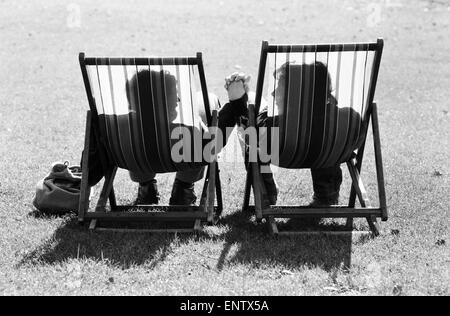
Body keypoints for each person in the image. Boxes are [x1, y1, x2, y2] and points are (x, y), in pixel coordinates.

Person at [225, 61, 362, 211]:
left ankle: (267, 194)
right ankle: (326, 195)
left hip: (286, 151)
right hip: (329, 146)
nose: (273, 93)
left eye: (280, 87)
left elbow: (248, 128)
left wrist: (239, 100)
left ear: (295, 94)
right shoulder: (350, 121)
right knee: (326, 133)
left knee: (252, 131)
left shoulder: (272, 128)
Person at [126, 69, 248, 206]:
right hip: (186, 152)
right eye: (174, 95)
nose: (178, 99)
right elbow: (214, 142)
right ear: (163, 102)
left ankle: (146, 189)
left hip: (138, 156)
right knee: (208, 100)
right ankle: (183, 189)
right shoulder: (192, 130)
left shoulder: (119, 129)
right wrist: (235, 103)